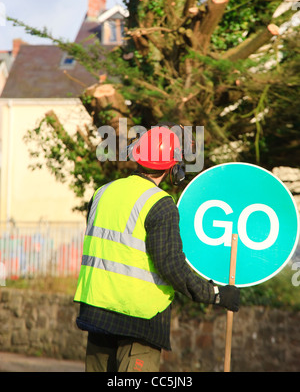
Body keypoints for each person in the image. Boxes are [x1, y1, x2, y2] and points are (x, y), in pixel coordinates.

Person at [74, 126, 240, 372]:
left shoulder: (102, 193)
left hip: (97, 316)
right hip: (139, 321)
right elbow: (171, 266)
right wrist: (215, 294)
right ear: (173, 167)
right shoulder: (160, 204)